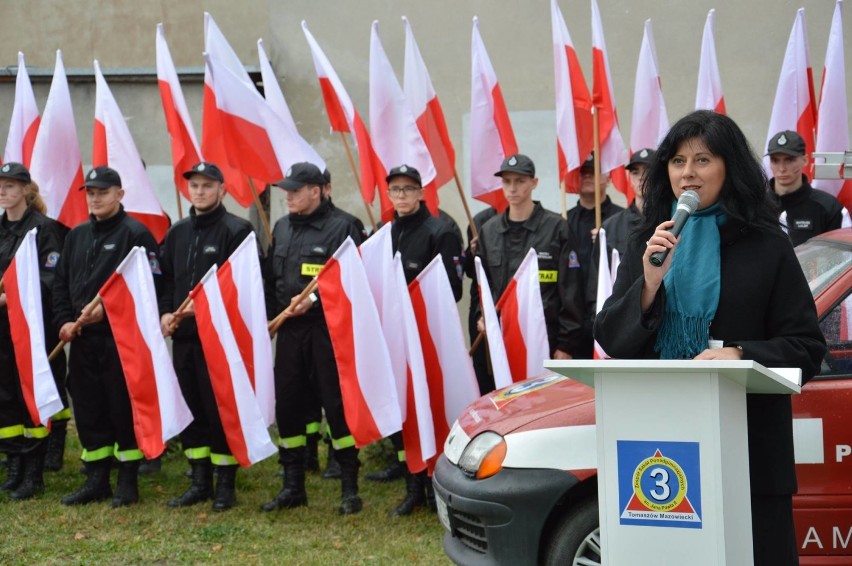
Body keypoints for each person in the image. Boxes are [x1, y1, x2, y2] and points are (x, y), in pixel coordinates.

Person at [594, 110, 826, 565]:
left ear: (729, 167)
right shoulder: (652, 238)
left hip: (750, 457)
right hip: (664, 453)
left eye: (702, 160)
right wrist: (647, 286)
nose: (688, 173)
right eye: (678, 161)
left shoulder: (766, 243)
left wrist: (740, 355)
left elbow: (807, 348)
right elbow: (612, 339)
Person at [53, 166, 161, 508]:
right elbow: (60, 285)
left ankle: (127, 480)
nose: (96, 198)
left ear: (120, 194)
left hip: (121, 340)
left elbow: (150, 287)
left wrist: (111, 310)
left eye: (103, 192)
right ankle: (96, 478)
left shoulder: (136, 234)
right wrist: (64, 321)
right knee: (88, 408)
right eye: (91, 193)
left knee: (120, 407)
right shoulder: (76, 235)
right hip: (82, 339)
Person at [262, 162, 364, 515]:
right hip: (290, 334)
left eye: (295, 190)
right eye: (286, 190)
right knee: (288, 406)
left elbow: (355, 282)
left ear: (317, 190)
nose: (288, 196)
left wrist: (315, 300)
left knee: (336, 407)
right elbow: (272, 279)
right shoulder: (282, 228)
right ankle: (293, 486)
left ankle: (349, 487)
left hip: (328, 333)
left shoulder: (343, 227)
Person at [159, 162, 256, 512]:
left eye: (207, 186)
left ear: (222, 190)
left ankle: (225, 485)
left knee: (220, 412)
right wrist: (165, 313)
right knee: (192, 409)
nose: (199, 192)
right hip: (183, 339)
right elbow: (167, 280)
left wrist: (211, 309)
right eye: (194, 186)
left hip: (220, 341)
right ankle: (199, 480)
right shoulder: (177, 232)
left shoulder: (238, 230)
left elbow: (245, 288)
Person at [372, 164, 464, 516]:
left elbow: (451, 289)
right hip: (393, 338)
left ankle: (434, 485)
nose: (401, 197)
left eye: (408, 190)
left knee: (429, 407)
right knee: (403, 410)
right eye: (395, 190)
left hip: (427, 337)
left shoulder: (440, 232)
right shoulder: (384, 232)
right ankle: (412, 484)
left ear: (421, 192)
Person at [0, 162, 67, 500]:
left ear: (27, 190)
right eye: (1, 185)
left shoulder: (43, 230)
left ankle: (33, 472)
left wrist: (8, 295)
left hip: (32, 328)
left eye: (11, 186)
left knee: (31, 401)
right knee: (6, 401)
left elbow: (49, 279)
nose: (4, 191)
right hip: (2, 329)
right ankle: (14, 465)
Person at [477, 153, 585, 360]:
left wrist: (566, 344)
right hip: (502, 338)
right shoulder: (489, 231)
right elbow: (482, 286)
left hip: (546, 339)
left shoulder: (556, 228)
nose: (513, 188)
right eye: (507, 181)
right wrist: (481, 316)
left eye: (520, 181)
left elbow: (571, 289)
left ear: (534, 183)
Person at [566, 152, 624, 358]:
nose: (587, 176)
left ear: (608, 178)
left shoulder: (621, 219)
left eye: (594, 171)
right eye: (583, 173)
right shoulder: (564, 221)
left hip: (608, 317)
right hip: (571, 324)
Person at [586, 149, 655, 313]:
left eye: (648, 171)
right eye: (635, 172)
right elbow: (597, 283)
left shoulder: (672, 221)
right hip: (622, 319)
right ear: (629, 178)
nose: (641, 178)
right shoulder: (610, 227)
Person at [767, 130, 845, 246]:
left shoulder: (828, 207)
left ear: (805, 160)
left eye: (789, 160)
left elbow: (844, 255)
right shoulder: (755, 206)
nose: (782, 168)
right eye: (775, 161)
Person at [463, 206, 498, 395]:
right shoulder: (479, 219)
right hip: (480, 305)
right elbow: (469, 271)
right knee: (483, 373)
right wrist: (473, 252)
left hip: (509, 308)